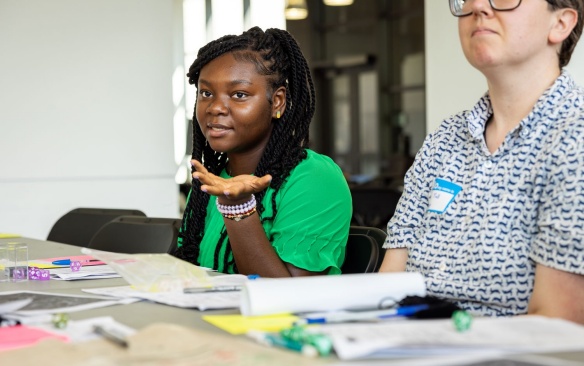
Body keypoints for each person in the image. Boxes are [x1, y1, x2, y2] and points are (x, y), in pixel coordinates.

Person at [380, 0, 584, 323]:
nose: (476, 6)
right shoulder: (443, 140)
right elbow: (388, 288)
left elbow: (555, 328)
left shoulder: (575, 140)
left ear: (560, 23)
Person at [174, 27, 352, 277]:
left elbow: (288, 297)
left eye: (239, 94)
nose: (215, 108)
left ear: (277, 101)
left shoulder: (314, 178)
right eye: (206, 93)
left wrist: (237, 208)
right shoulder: (212, 181)